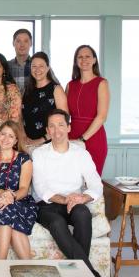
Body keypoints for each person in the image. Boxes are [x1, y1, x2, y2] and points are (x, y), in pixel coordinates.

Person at [32, 109, 103, 277]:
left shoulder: (81, 153)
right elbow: (41, 188)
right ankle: (89, 273)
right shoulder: (39, 153)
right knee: (57, 223)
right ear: (47, 131)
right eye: (52, 126)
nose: (57, 131)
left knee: (83, 214)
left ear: (69, 128)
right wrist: (65, 200)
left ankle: (80, 273)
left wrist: (82, 197)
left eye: (61, 125)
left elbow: (96, 184)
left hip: (74, 202)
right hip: (47, 206)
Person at [0, 120, 37, 259]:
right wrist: (1, 193)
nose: (6, 139)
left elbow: (24, 188)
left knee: (6, 209)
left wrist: (10, 197)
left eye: (11, 136)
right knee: (4, 209)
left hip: (21, 201)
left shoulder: (24, 159)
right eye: (3, 134)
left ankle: (1, 261)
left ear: (16, 140)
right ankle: (27, 264)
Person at [66, 45, 110, 176]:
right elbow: (64, 114)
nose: (83, 59)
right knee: (71, 180)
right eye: (80, 56)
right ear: (76, 61)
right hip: (71, 137)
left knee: (91, 182)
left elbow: (102, 116)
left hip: (94, 138)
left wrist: (82, 139)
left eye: (87, 56)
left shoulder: (102, 83)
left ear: (94, 60)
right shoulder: (70, 85)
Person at [22, 51, 68, 146]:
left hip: (50, 144)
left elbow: (64, 120)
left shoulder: (56, 89)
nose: (37, 69)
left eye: (41, 66)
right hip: (28, 145)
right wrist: (24, 137)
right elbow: (20, 117)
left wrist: (41, 140)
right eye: (34, 66)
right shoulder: (26, 90)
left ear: (48, 68)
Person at [8, 29, 32, 95]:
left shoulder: (40, 66)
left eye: (26, 41)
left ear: (31, 43)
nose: (22, 45)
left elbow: (55, 86)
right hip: (11, 105)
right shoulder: (6, 66)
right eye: (18, 41)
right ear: (13, 43)